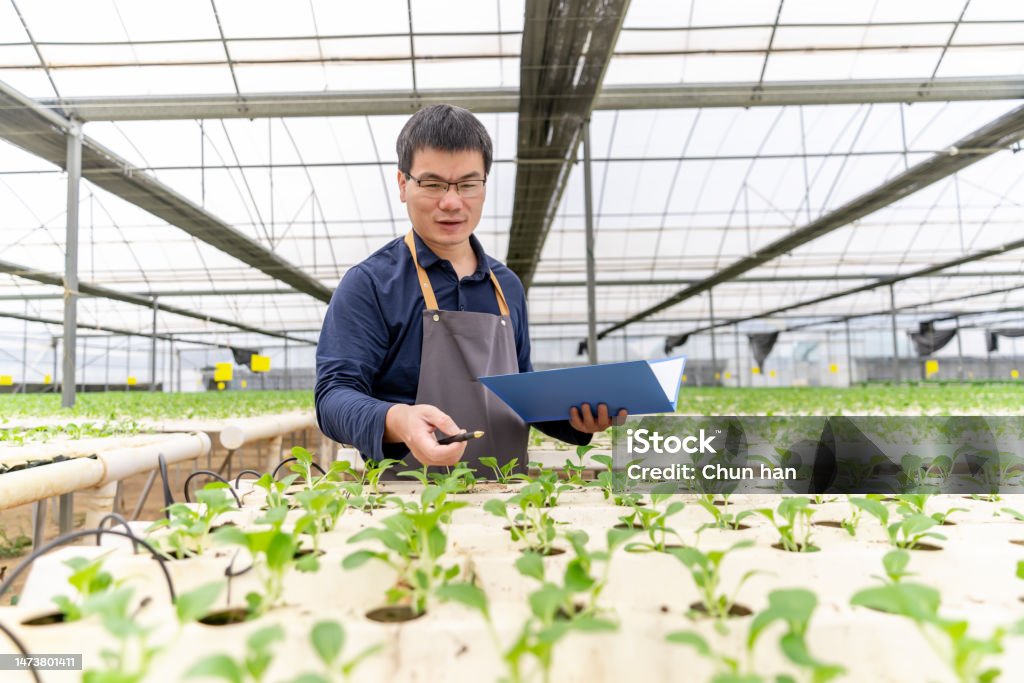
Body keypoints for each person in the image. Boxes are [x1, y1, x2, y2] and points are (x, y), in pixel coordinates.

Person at [315, 104, 624, 472]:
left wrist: (577, 420)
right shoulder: (370, 284)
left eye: (468, 184)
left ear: (484, 186)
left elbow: (521, 395)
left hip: (509, 497)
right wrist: (398, 420)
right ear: (402, 184)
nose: (451, 202)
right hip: (406, 499)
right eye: (432, 184)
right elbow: (333, 397)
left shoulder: (506, 286)